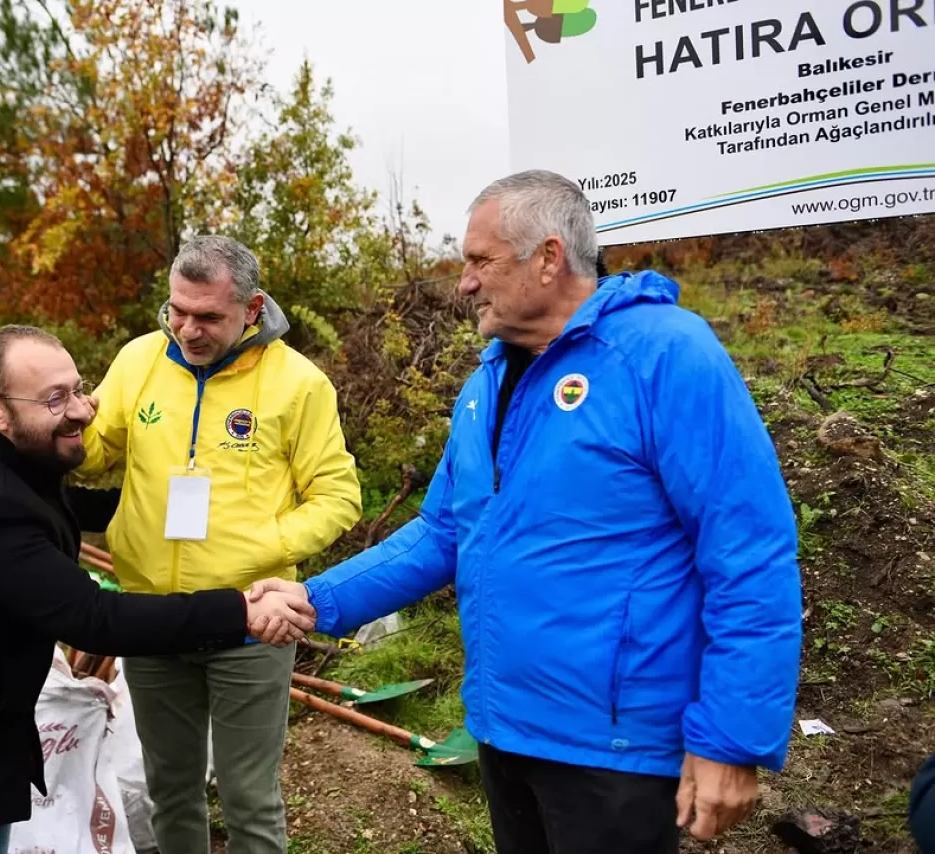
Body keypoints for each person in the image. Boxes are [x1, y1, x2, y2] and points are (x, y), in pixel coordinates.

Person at [250, 170, 804, 853]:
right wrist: (315, 597)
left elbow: (748, 551)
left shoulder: (664, 354)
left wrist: (731, 738)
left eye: (481, 261)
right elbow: (445, 530)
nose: (464, 282)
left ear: (548, 257)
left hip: (614, 747)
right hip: (503, 728)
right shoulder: (488, 381)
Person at [0, 325, 314, 854]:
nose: (82, 409)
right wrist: (239, 608)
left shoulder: (2, 456)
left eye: (79, 388)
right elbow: (96, 618)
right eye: (55, 399)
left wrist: (182, 508)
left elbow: (58, 508)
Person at [73, 236, 362, 854]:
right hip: (150, 616)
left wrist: (263, 544)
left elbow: (338, 497)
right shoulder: (140, 360)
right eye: (177, 310)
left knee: (249, 799)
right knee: (170, 790)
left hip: (249, 621)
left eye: (207, 317)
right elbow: (96, 450)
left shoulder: (298, 384)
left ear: (252, 309)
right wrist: (59, 430)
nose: (187, 329)